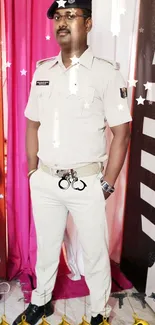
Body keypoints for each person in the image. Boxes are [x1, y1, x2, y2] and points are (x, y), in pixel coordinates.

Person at [13, 0, 132, 324]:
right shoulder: (42, 71)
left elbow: (122, 132)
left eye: (70, 16)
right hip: (46, 181)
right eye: (58, 17)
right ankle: (42, 301)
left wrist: (106, 184)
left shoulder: (106, 73)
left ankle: (97, 311)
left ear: (89, 23)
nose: (62, 23)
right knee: (47, 248)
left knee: (94, 253)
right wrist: (32, 171)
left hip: (86, 182)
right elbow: (32, 124)